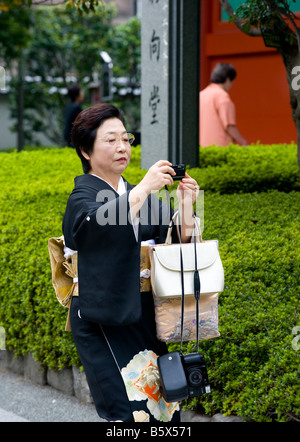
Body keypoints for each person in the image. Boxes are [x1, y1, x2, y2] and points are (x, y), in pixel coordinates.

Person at [62, 103, 200, 422]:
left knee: (162, 412)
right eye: (110, 140)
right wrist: (145, 188)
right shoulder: (82, 197)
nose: (122, 146)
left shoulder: (138, 195)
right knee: (127, 413)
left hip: (144, 314)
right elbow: (92, 230)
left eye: (126, 138)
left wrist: (186, 205)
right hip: (101, 315)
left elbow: (176, 244)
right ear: (85, 150)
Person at [200, 63, 248, 147]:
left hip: (203, 148)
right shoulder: (222, 96)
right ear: (228, 79)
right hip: (221, 148)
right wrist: (244, 142)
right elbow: (229, 126)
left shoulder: (201, 95)